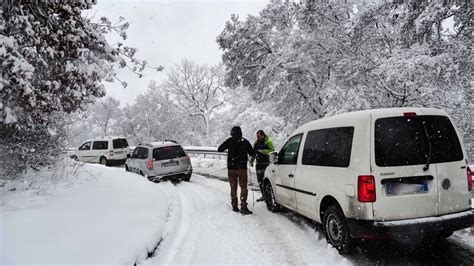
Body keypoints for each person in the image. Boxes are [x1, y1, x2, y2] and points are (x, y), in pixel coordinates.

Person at [218, 126, 255, 215]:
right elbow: (252, 152)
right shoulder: (244, 141)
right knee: (243, 188)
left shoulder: (229, 141)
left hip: (231, 168)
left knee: (233, 188)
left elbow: (219, 149)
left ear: (232, 133)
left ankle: (234, 206)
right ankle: (243, 206)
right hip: (242, 168)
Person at [249, 130, 275, 202]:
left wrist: (263, 151)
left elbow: (272, 150)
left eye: (259, 136)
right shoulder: (256, 142)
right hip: (259, 164)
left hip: (266, 164)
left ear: (263, 135)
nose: (258, 138)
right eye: (257, 136)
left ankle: (269, 197)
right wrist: (251, 161)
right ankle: (263, 196)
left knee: (266, 181)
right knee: (260, 180)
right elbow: (253, 152)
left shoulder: (268, 141)